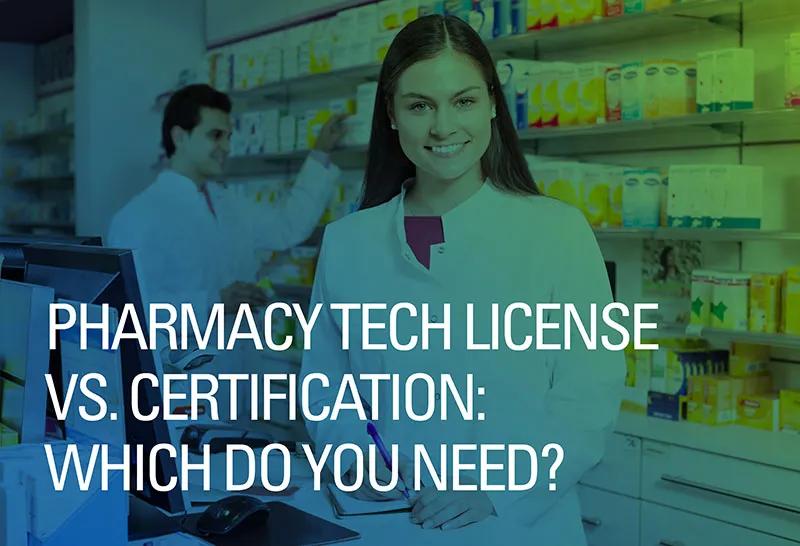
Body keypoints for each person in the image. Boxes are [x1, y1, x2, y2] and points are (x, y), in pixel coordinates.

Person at [300, 14, 624, 544]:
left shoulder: (556, 232)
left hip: (516, 526)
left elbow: (587, 396)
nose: (443, 126)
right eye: (420, 105)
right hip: (386, 521)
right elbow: (326, 384)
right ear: (391, 114)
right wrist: (351, 455)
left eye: (464, 101)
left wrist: (497, 489)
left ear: (494, 103)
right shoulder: (348, 242)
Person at [107, 84, 346, 317]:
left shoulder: (230, 203)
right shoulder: (137, 219)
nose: (227, 147)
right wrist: (213, 303)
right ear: (179, 137)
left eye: (229, 136)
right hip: (184, 355)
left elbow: (288, 226)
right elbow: (132, 312)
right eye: (216, 135)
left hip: (240, 352)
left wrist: (321, 152)